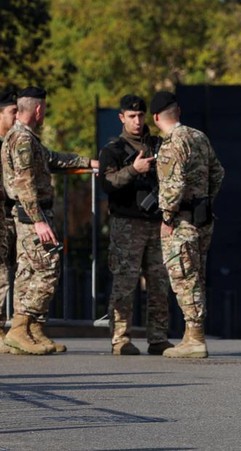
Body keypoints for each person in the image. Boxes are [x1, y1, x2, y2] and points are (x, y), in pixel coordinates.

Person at [0, 86, 98, 355]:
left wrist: (87, 161)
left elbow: (51, 158)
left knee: (29, 271)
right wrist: (38, 220)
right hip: (33, 215)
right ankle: (20, 327)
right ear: (39, 110)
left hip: (33, 214)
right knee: (48, 267)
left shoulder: (26, 138)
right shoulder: (21, 139)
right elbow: (24, 183)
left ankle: (31, 330)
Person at [150, 91, 224, 359]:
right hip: (202, 217)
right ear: (178, 111)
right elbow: (218, 173)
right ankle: (191, 334)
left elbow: (174, 184)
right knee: (197, 276)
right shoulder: (198, 137)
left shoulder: (172, 144)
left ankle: (194, 337)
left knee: (183, 277)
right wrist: (204, 199)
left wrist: (167, 216)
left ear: (156, 117)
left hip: (181, 221)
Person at [99, 94, 174, 356]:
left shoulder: (158, 145)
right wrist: (134, 169)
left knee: (159, 284)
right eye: (131, 116)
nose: (137, 120)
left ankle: (158, 338)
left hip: (156, 223)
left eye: (141, 115)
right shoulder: (113, 150)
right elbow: (107, 184)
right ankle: (120, 340)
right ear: (121, 117)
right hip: (126, 224)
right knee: (124, 284)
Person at [0, 88, 17, 354]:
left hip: (8, 215)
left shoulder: (14, 142)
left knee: (6, 271)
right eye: (13, 112)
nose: (17, 117)